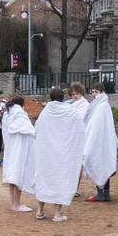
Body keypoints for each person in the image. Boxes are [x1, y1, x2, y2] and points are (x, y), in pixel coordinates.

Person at [34, 88, 85, 222]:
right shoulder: (71, 111)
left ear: (51, 98)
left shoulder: (45, 112)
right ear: (63, 98)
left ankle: (40, 210)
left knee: (44, 178)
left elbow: (37, 129)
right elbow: (80, 129)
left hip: (46, 153)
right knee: (61, 180)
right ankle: (57, 213)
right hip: (63, 153)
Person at [83, 83, 118, 202]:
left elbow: (96, 125)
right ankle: (104, 193)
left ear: (101, 92)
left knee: (100, 164)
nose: (94, 94)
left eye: (96, 92)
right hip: (100, 141)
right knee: (100, 163)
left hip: (99, 141)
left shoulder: (102, 106)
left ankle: (103, 194)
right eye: (92, 92)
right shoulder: (100, 105)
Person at [1, 96, 36, 212]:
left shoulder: (7, 114)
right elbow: (31, 131)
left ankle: (13, 203)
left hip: (10, 149)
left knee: (12, 176)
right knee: (18, 175)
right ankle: (17, 204)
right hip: (19, 151)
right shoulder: (20, 114)